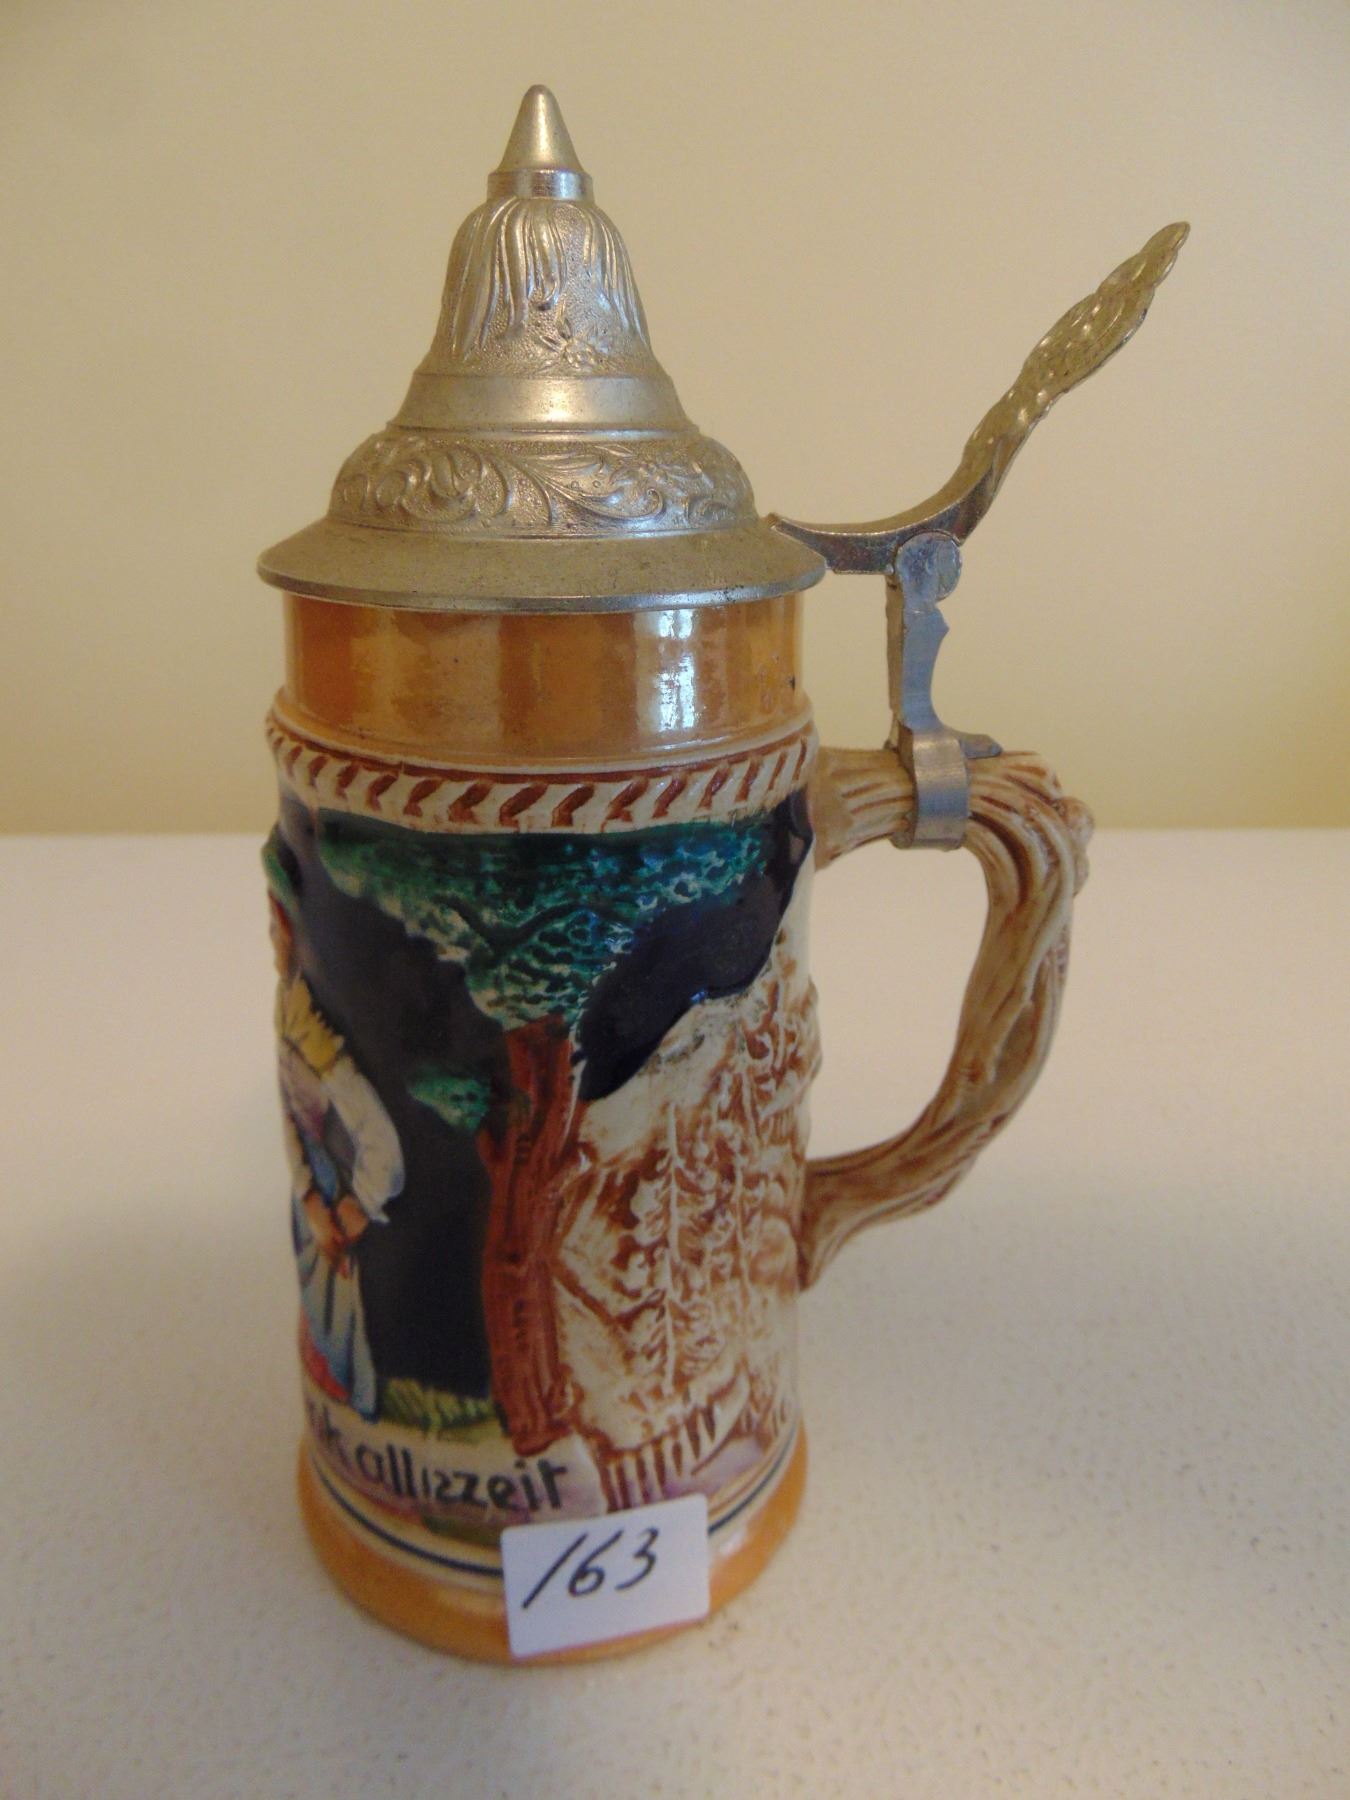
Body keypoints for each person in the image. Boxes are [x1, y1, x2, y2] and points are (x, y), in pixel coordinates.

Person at [269, 892, 404, 1420]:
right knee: (323, 1309)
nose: (273, 940)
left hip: (337, 1192)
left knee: (342, 1320)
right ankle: (344, 1426)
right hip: (317, 1193)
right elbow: (288, 1111)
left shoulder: (321, 1047)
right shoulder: (290, 1003)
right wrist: (307, 1194)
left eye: (278, 927)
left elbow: (380, 1140)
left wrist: (358, 1202)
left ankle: (358, 1413)